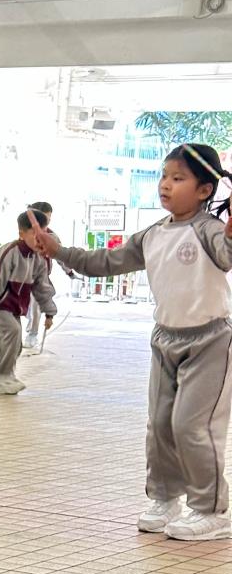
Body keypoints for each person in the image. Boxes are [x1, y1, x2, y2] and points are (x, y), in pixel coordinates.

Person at [33, 143, 232, 542]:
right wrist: (58, 251)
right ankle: (165, 499)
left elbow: (226, 256)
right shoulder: (153, 234)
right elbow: (104, 263)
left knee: (191, 425)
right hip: (165, 339)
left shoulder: (209, 229)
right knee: (159, 425)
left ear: (204, 190)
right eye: (164, 176)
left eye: (178, 178)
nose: (165, 185)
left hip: (211, 341)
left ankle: (211, 510)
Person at [0, 209, 56, 394]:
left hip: (16, 307)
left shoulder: (39, 258)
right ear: (22, 234)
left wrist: (49, 312)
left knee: (15, 343)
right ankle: (2, 376)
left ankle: (6, 375)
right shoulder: (9, 252)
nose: (39, 238)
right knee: (13, 332)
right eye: (34, 233)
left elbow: (42, 287)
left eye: (43, 233)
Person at [23, 199, 53, 350]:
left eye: (48, 218)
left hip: (41, 277)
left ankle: (33, 334)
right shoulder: (24, 233)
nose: (45, 221)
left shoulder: (52, 236)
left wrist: (69, 271)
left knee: (36, 305)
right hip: (23, 275)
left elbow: (62, 255)